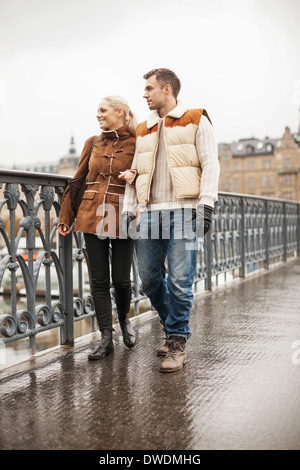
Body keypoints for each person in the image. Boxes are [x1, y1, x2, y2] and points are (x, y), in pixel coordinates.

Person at [120, 68, 220, 373]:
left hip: (185, 210)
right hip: (150, 213)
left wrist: (206, 205)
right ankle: (172, 324)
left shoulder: (196, 118)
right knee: (149, 279)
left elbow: (210, 163)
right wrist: (127, 209)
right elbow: (135, 172)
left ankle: (177, 343)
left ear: (166, 89)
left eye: (149, 89)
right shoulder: (143, 128)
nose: (144, 94)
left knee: (180, 281)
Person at [58, 95, 138, 360]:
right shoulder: (91, 143)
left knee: (121, 280)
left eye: (102, 110)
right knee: (99, 281)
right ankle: (106, 337)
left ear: (120, 112)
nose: (98, 114)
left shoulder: (138, 142)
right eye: (97, 111)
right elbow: (78, 179)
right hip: (91, 215)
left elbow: (147, 174)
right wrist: (65, 217)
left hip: (123, 214)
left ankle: (124, 320)